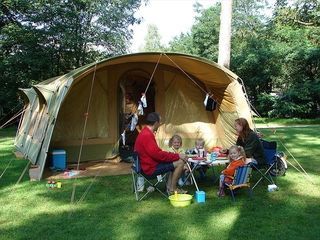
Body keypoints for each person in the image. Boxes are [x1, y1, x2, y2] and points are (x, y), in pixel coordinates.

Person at [134, 112, 187, 195]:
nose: (160, 124)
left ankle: (169, 188)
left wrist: (172, 156)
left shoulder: (145, 132)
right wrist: (178, 155)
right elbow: (158, 155)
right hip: (150, 168)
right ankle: (173, 189)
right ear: (155, 123)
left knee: (173, 161)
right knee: (180, 162)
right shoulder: (147, 135)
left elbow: (156, 153)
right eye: (159, 122)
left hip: (148, 164)